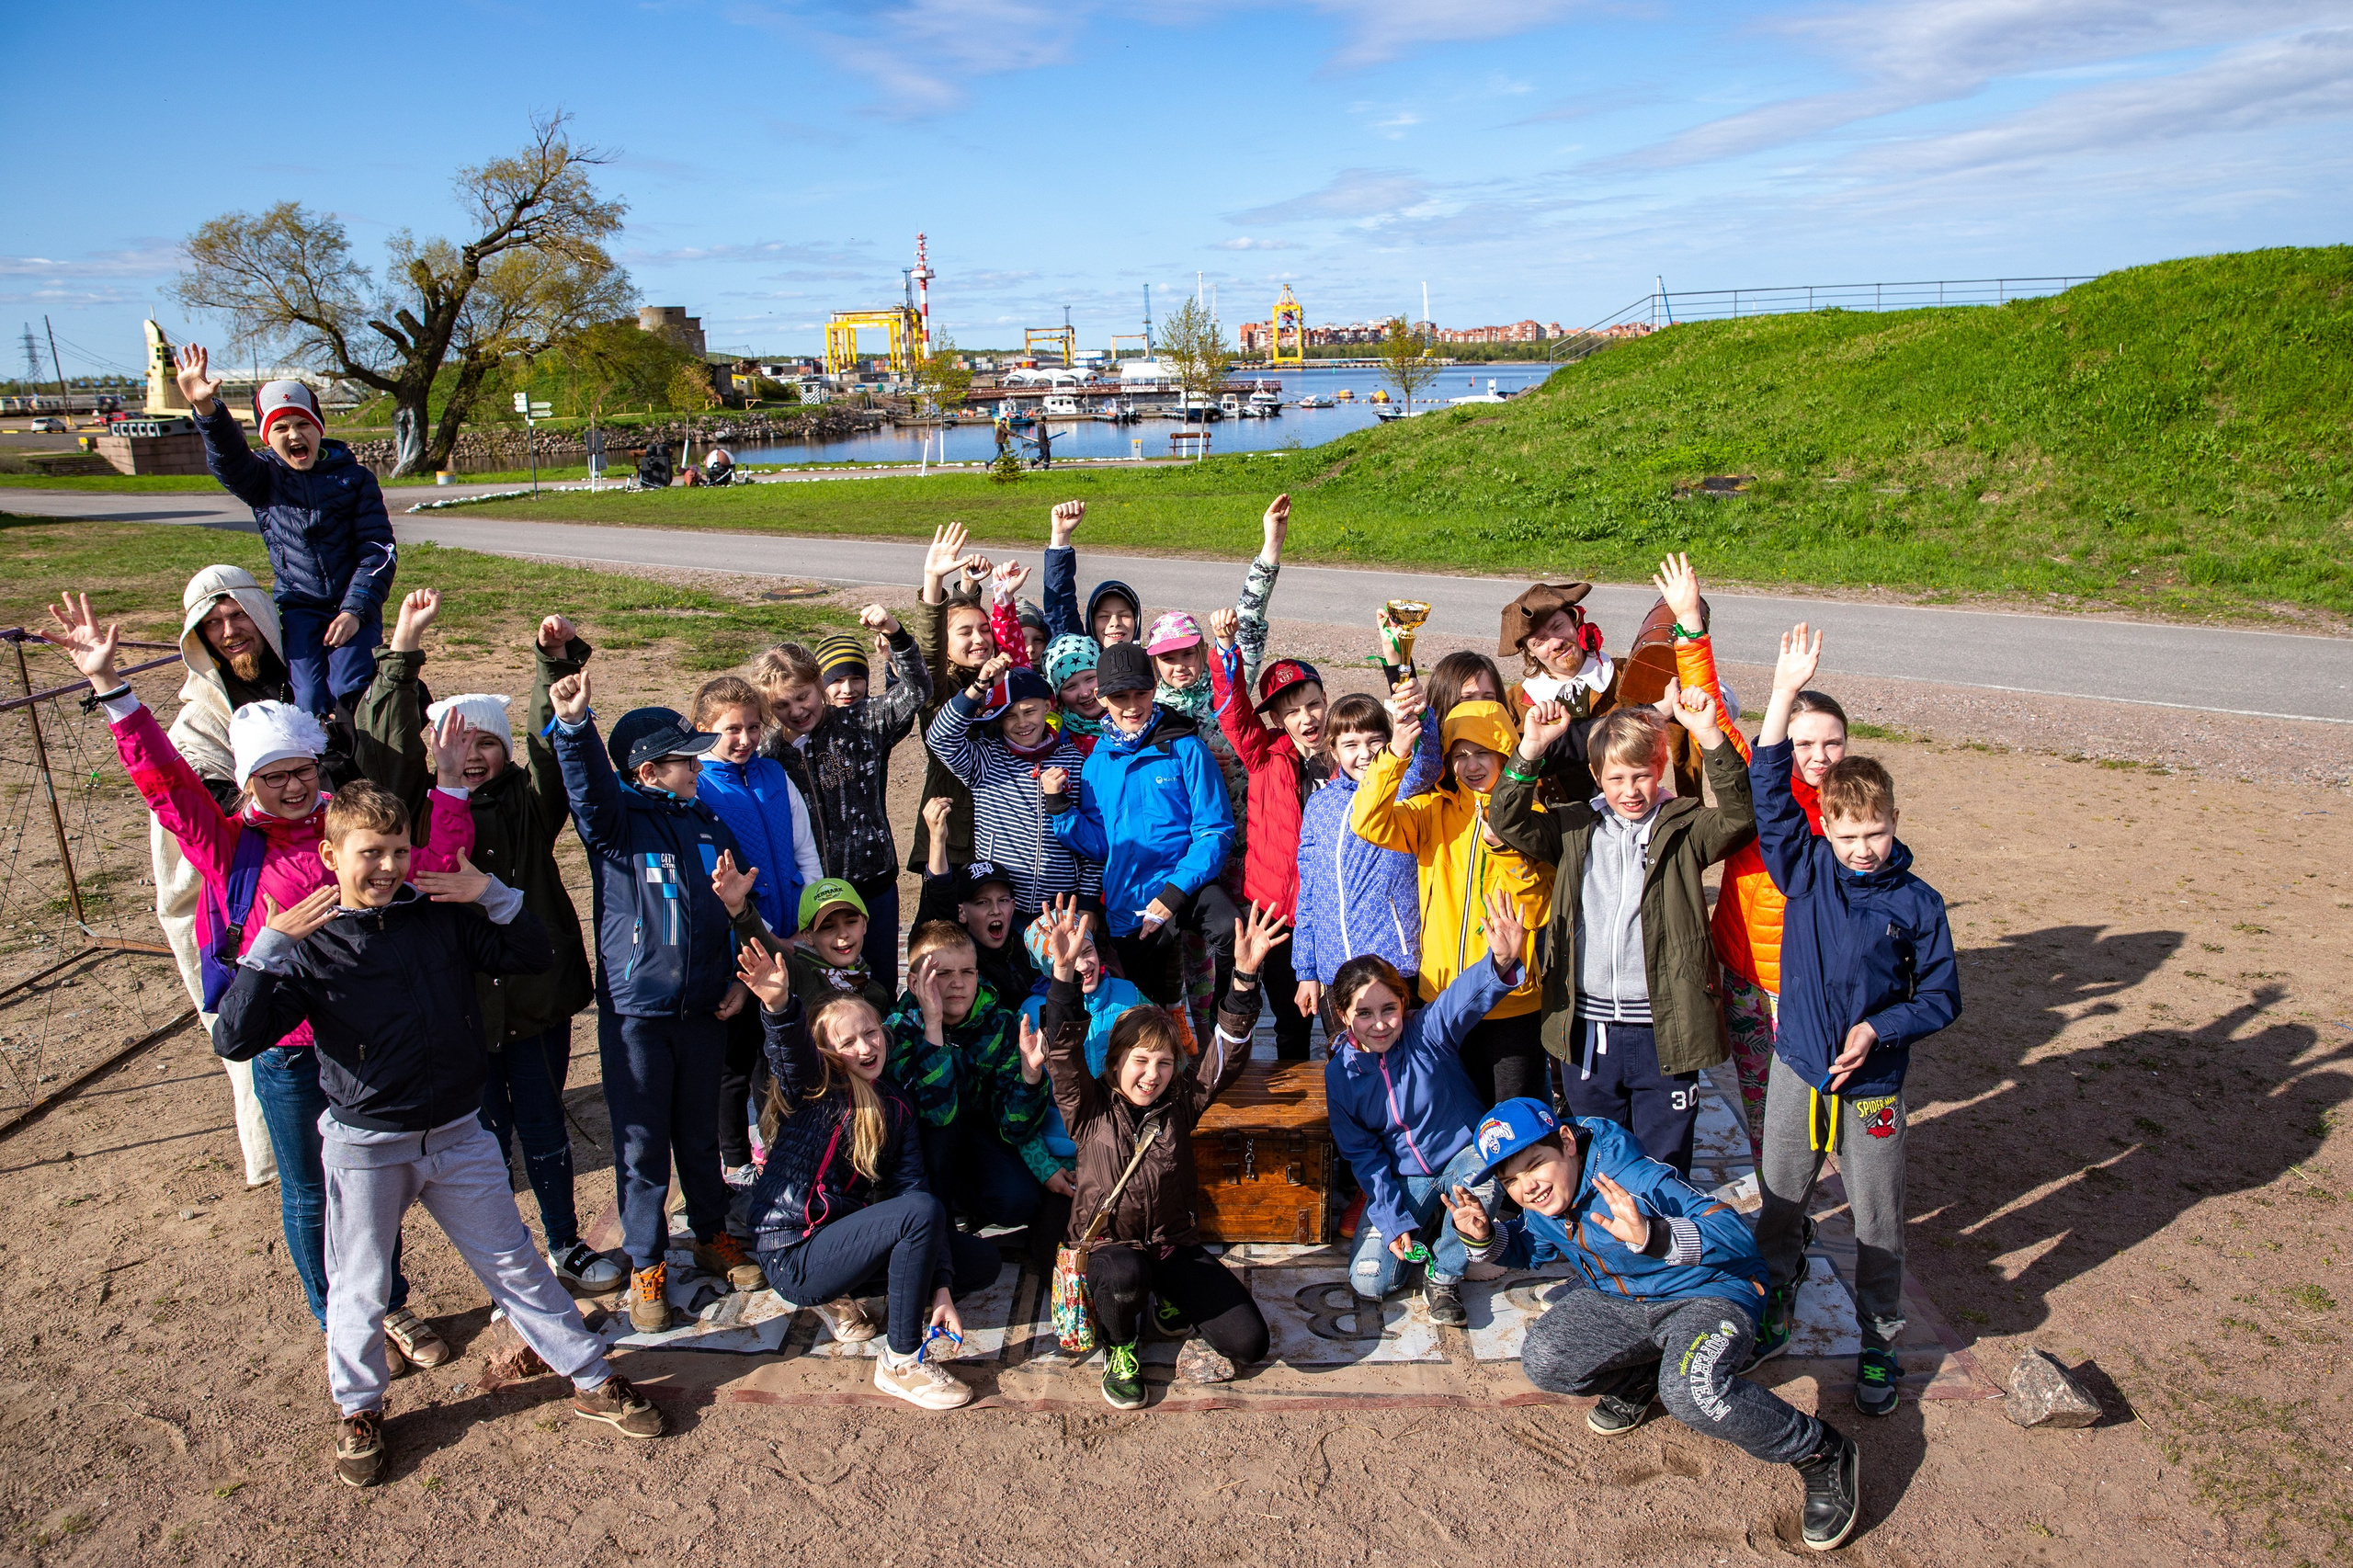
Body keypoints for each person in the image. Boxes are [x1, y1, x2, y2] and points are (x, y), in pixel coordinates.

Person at [51, 590, 474, 1365]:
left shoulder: (340, 829)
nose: (289, 786)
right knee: (311, 1191)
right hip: (285, 1045)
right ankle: (340, 1319)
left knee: (371, 1191)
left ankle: (393, 1306)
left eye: (301, 770)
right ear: (248, 780)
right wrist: (114, 693)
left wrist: (446, 789)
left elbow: (431, 868)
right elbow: (168, 787)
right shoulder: (230, 845)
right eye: (272, 774)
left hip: (356, 1041)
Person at [213, 782, 666, 1486]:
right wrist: (267, 948)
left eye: (399, 850)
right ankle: (359, 1409)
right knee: (361, 1286)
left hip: (459, 1133)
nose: (388, 867)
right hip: (367, 1146)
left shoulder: (438, 917)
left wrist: (491, 891)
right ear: (332, 854)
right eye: (371, 853)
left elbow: (532, 954)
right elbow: (236, 1037)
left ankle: (589, 1376)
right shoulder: (308, 945)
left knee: (514, 1263)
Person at [1447, 1098, 1861, 1551]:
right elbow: (1533, 1248)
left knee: (1693, 1391)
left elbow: (1737, 1236)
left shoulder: (1634, 1179)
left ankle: (1821, 1452)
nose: (1528, 1187)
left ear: (1566, 1143)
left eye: (1534, 1165)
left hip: (1709, 1293)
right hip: (1626, 1299)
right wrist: (1484, 1238)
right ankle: (1643, 1382)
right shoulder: (1550, 1197)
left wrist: (1654, 1235)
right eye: (1511, 1180)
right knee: (1546, 1359)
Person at [353, 593, 617, 1291]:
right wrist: (400, 657)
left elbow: (548, 742)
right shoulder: (417, 811)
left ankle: (566, 1242)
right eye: (457, 742)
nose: (472, 755)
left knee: (545, 1126)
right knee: (485, 1141)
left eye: (485, 742)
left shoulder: (531, 804)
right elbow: (382, 744)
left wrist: (549, 663)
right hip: (459, 1007)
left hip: (535, 997)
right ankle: (511, 1261)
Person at [1745, 624, 1961, 1417]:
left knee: (1876, 1218)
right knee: (1780, 1200)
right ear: (1825, 830)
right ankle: (1775, 1301)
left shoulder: (1919, 903)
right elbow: (1768, 785)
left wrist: (1882, 1029)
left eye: (1877, 832)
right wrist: (1778, 695)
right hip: (1799, 1070)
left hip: (1872, 1087)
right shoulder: (1805, 871)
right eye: (1849, 835)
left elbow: (1941, 995)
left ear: (1895, 820)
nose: (1864, 848)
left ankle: (1880, 1339)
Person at [547, 668, 772, 1331]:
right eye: (685, 759)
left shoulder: (705, 822)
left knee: (699, 1135)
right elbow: (588, 787)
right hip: (638, 1017)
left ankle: (710, 1232)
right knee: (642, 1149)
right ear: (648, 771)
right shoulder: (617, 826)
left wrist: (734, 979)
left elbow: (734, 908)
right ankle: (647, 1262)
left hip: (704, 1010)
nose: (699, 767)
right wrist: (573, 727)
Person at [1487, 688, 1754, 1176]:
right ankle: (1609, 1247)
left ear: (1661, 771)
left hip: (1665, 1030)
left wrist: (1710, 735)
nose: (1630, 790)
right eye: (1616, 779)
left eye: (1642, 776)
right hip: (1589, 1031)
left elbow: (1739, 816)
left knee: (1664, 1159)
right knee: (1598, 1158)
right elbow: (1506, 819)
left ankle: (1663, 1242)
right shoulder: (1572, 827)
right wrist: (1531, 748)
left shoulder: (1685, 828)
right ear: (1596, 777)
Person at [734, 943, 1002, 1410]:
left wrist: (940, 1285)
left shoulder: (895, 1104)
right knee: (920, 1214)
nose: (865, 1047)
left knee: (978, 1262)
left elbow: (913, 1187)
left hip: (839, 1240)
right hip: (794, 1249)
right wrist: (778, 1005)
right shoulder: (817, 1089)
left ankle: (857, 1295)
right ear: (828, 1054)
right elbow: (791, 1055)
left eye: (871, 1033)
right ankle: (900, 1361)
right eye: (848, 1041)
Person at [1037, 897, 1283, 1405]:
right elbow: (1061, 1053)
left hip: (1173, 1244)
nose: (1152, 1075)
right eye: (1140, 1061)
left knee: (1249, 1343)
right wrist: (1063, 976)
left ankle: (1167, 1293)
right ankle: (1121, 1345)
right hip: (1111, 1249)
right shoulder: (1088, 1107)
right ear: (1115, 1062)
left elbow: (1225, 1056)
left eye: (1164, 1063)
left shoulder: (1180, 1105)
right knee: (1125, 1278)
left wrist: (1243, 978)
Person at [147, 564, 318, 1188]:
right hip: (247, 890)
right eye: (213, 624)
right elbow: (203, 805)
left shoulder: (306, 679)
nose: (229, 631)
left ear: (260, 614)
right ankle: (288, 1158)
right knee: (266, 1026)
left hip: (321, 868)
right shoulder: (199, 719)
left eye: (237, 615)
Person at [1327, 890, 1526, 1326]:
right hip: (1406, 1176)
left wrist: (1500, 964)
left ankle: (1447, 1271)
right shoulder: (1341, 1075)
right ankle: (1433, 1226)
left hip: (1462, 1159)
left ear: (1404, 1004)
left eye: (1389, 1009)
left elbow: (1463, 996)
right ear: (1343, 1015)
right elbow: (1363, 1154)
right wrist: (1392, 1218)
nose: (1379, 1024)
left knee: (1485, 1179)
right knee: (1370, 1282)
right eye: (1364, 1013)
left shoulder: (1428, 1033)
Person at [1349, 694, 1552, 1108]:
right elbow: (1367, 821)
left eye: (1483, 752)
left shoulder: (1534, 817)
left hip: (1509, 1005)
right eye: (1460, 754)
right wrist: (1396, 754)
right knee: (1451, 1118)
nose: (1471, 765)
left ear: (1506, 753)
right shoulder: (1433, 812)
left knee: (1514, 1123)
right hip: (1441, 998)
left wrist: (1506, 849)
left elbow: (1540, 906)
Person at [174, 347, 395, 718]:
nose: (294, 433)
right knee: (306, 697)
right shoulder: (263, 479)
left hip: (354, 605)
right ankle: (317, 764)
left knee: (351, 688)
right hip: (299, 607)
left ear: (319, 429)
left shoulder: (355, 478)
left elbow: (378, 549)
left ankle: (362, 764)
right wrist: (207, 411)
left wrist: (356, 609)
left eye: (303, 423)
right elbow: (229, 461)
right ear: (267, 438)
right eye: (280, 427)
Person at [1041, 641, 1238, 1011]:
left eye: (1140, 693)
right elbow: (1102, 844)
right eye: (1120, 696)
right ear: (1101, 696)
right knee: (1149, 1009)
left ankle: (1226, 1023)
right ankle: (1167, 1054)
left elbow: (1214, 830)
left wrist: (1174, 894)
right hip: (1130, 901)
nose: (1132, 706)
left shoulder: (1186, 747)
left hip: (1186, 884)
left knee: (1231, 929)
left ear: (1154, 690)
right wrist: (1060, 809)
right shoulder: (1096, 764)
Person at [755, 605, 931, 990]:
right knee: (818, 993)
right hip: (808, 898)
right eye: (781, 706)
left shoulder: (862, 721)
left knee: (878, 984)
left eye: (803, 697)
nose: (797, 711)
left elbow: (918, 689)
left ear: (819, 684)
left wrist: (894, 631)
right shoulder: (767, 752)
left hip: (872, 886)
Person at [692, 675, 823, 1186]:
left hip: (794, 931)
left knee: (784, 1047)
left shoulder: (772, 773)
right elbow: (715, 878)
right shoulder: (701, 786)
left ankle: (781, 1143)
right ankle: (736, 1159)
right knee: (738, 1059)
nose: (744, 739)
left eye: (751, 727)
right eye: (730, 730)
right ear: (704, 731)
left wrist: (810, 917)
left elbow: (804, 845)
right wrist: (770, 935)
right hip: (744, 939)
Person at [1206, 611, 1327, 1058]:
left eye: (1313, 704)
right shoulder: (1263, 755)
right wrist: (1224, 650)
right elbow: (1233, 713)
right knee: (1288, 1017)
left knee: (1332, 1015)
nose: (1306, 718)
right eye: (1291, 711)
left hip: (1328, 911)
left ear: (1325, 701)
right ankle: (1294, 1106)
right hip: (1276, 914)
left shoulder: (1345, 759)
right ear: (1276, 717)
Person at [883, 921, 1052, 1238]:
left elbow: (1014, 1128)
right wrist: (933, 1027)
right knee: (940, 1135)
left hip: (974, 1133)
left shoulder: (999, 1023)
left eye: (967, 972)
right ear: (915, 982)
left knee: (1021, 1201)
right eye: (942, 974)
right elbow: (937, 1114)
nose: (957, 984)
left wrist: (1030, 1077)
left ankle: (961, 1201)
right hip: (921, 1144)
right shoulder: (898, 1029)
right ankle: (933, 1220)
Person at [926, 652, 1097, 918]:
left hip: (1062, 906)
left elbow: (1091, 836)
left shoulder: (1076, 760)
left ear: (1048, 706)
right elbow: (939, 738)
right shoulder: (985, 758)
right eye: (1009, 716)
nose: (1022, 723)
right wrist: (978, 687)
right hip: (999, 907)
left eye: (1030, 711)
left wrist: (1087, 903)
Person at [1290, 694, 1420, 1026]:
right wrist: (1307, 970)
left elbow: (1429, 758)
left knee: (1405, 1063)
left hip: (1395, 966)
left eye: (1374, 741)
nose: (1364, 754)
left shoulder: (1406, 788)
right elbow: (1309, 892)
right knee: (1347, 1064)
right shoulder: (1319, 804)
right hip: (1336, 971)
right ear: (1332, 750)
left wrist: (1412, 712)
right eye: (1351, 744)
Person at [905, 522, 1001, 876]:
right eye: (965, 633)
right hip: (955, 838)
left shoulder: (995, 678)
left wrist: (970, 587)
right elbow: (930, 654)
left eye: (985, 629)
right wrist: (933, 581)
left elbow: (969, 631)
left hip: (1003, 834)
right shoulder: (938, 689)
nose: (980, 638)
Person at [1495, 580, 1624, 803]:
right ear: (1530, 652)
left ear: (1575, 621)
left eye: (1558, 627)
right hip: (1558, 826)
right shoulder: (1514, 704)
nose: (1555, 643)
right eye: (1540, 641)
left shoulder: (1624, 676)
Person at [916, 806, 1040, 1002]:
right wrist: (938, 840)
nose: (995, 910)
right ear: (961, 912)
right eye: (982, 902)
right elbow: (938, 901)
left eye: (1003, 900)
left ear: (1014, 905)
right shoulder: (959, 957)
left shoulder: (1027, 951)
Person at [789, 877, 894, 1017]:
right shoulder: (798, 976)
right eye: (828, 927)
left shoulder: (877, 994)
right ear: (808, 935)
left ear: (864, 924)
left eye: (851, 922)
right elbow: (761, 941)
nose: (843, 934)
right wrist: (748, 910)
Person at [1037, 499, 1139, 645]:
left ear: (1137, 620)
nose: (1114, 623)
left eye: (1124, 615)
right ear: (1091, 621)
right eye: (1104, 616)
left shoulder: (1153, 663)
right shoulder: (1079, 659)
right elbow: (1060, 611)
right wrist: (1061, 536)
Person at [1043, 633, 1106, 747]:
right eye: (1071, 687)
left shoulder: (1132, 713)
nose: (1085, 693)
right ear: (1058, 695)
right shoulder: (1055, 736)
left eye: (1090, 679)